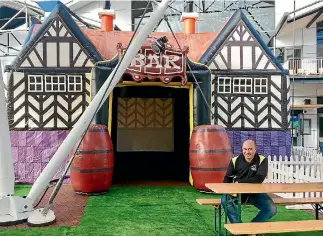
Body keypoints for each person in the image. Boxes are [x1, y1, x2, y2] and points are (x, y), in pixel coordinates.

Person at [221, 140, 277, 236]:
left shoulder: (262, 160)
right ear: (242, 149)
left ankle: (251, 229)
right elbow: (227, 177)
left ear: (255, 149)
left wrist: (239, 182)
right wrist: (229, 189)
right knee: (224, 199)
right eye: (245, 149)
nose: (247, 152)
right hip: (238, 193)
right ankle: (239, 230)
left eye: (250, 149)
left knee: (271, 209)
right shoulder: (235, 160)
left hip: (256, 194)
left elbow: (259, 178)